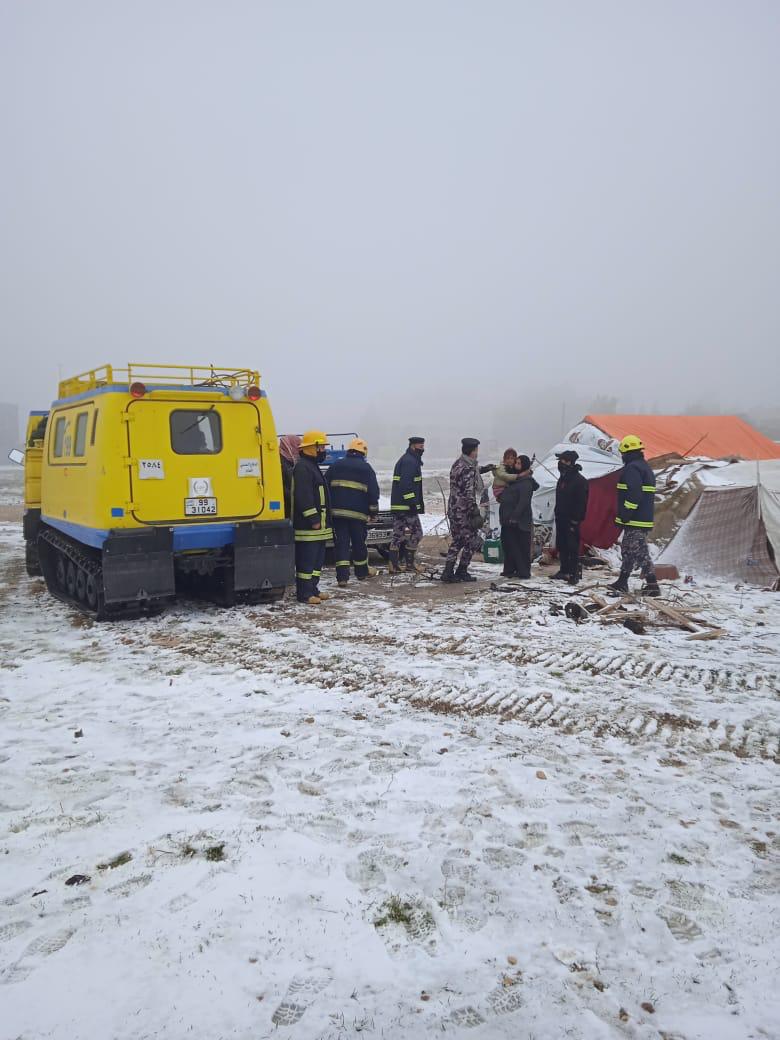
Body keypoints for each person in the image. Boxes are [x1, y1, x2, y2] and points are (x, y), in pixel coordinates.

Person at [608, 434, 660, 597]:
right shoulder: (643, 467)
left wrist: (625, 514)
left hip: (635, 519)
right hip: (641, 518)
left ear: (626, 452)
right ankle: (622, 581)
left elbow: (634, 494)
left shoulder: (632, 469)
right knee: (629, 551)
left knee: (639, 552)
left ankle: (652, 585)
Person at [325, 438, 380, 587]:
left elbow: (325, 487)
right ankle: (361, 573)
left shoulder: (335, 465)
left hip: (337, 515)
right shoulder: (366, 468)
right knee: (359, 543)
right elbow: (373, 492)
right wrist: (373, 513)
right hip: (358, 515)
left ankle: (342, 578)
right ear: (363, 452)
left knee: (341, 545)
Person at [292, 430, 333, 605]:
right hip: (309, 527)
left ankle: (313, 589)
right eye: (321, 447)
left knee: (316, 563)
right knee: (306, 563)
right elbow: (303, 496)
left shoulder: (312, 466)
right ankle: (304, 594)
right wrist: (313, 519)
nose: (323, 451)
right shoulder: (303, 467)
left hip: (319, 528)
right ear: (310, 448)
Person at [441, 438, 486, 583]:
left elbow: (465, 478)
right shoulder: (468, 468)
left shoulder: (458, 464)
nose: (477, 453)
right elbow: (468, 491)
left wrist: (484, 469)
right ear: (473, 451)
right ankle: (459, 571)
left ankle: (450, 571)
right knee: (472, 541)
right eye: (476, 450)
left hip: (454, 508)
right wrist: (474, 510)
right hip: (464, 511)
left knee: (459, 540)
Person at [552, 449, 589, 584]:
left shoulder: (579, 481)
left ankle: (574, 573)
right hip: (561, 518)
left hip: (572, 520)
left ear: (569, 462)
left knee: (572, 546)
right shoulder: (562, 479)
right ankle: (564, 570)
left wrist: (575, 520)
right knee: (562, 545)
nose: (560, 464)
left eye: (562, 461)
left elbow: (581, 503)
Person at [389, 436, 426, 574]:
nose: (422, 449)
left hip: (399, 505)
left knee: (397, 535)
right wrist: (412, 503)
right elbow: (406, 485)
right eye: (420, 447)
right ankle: (410, 564)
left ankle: (393, 565)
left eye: (423, 447)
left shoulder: (406, 459)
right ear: (412, 446)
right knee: (417, 533)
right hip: (406, 506)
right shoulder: (410, 461)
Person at [498, 454, 538, 579]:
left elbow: (523, 502)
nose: (516, 465)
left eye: (519, 463)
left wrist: (515, 517)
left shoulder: (526, 482)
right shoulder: (514, 480)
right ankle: (510, 569)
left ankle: (523, 571)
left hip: (519, 521)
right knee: (509, 546)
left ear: (525, 466)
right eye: (516, 463)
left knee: (521, 547)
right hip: (508, 520)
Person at [279, 434, 301, 520]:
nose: (299, 449)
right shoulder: (280, 463)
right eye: (297, 446)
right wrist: (295, 497)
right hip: (286, 507)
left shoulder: (290, 462)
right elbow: (282, 486)